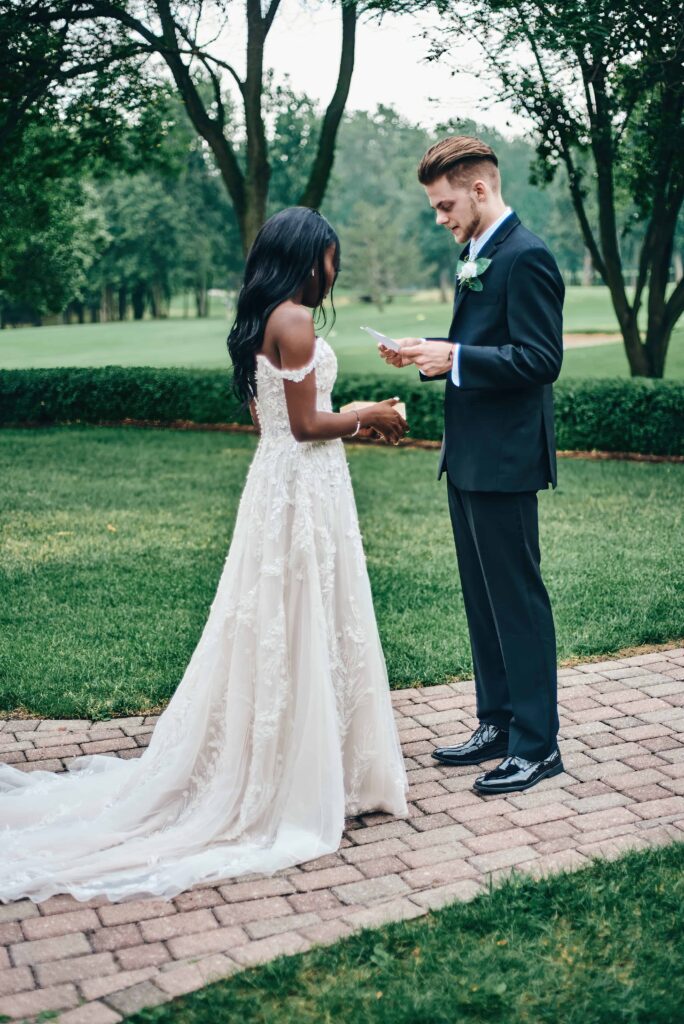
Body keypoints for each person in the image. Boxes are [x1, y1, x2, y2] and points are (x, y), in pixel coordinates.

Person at [0, 206, 409, 905]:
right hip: (304, 489)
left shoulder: (260, 319)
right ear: (310, 257)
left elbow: (275, 420)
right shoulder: (297, 319)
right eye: (330, 256)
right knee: (307, 615)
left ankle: (292, 760)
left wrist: (349, 419)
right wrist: (372, 414)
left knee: (277, 623)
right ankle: (308, 776)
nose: (333, 269)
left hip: (279, 483)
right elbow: (309, 424)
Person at [379, 136, 564, 795]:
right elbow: (483, 348)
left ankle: (538, 746)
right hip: (469, 457)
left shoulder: (528, 256)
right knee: (483, 602)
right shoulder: (476, 255)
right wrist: (431, 353)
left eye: (444, 205)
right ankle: (499, 723)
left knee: (517, 601)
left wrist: (453, 357)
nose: (440, 218)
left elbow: (541, 361)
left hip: (508, 459)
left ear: (480, 190)